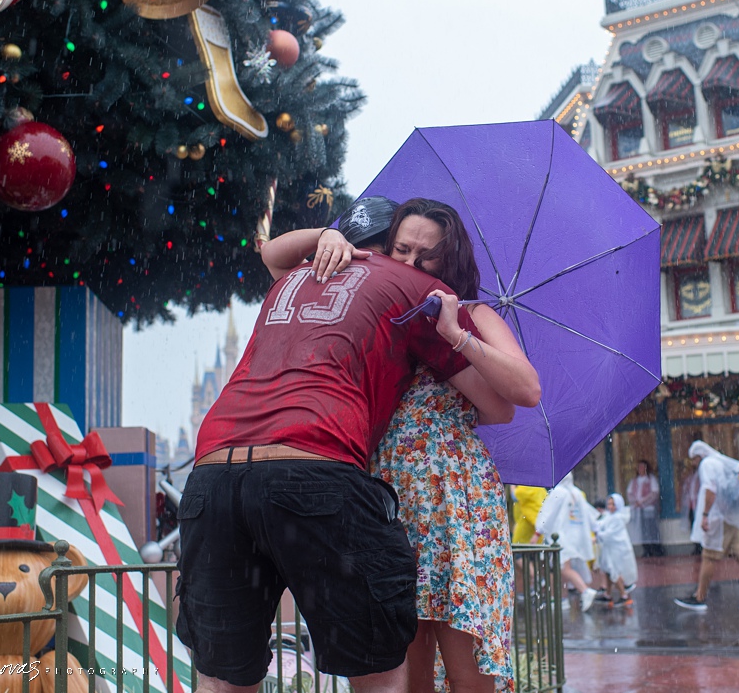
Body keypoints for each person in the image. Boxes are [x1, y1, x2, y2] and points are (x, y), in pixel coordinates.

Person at [179, 195, 537, 693]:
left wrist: (454, 335)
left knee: (462, 669)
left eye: (425, 254)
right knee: (391, 664)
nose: (409, 262)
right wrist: (328, 236)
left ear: (448, 258)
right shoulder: (395, 297)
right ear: (379, 248)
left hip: (444, 501)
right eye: (400, 248)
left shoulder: (429, 306)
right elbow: (275, 255)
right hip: (367, 485)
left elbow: (510, 401)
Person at [673, 441, 739, 613]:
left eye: (693, 460)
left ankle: (699, 597)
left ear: (698, 456)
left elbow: (711, 490)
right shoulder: (722, 462)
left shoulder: (707, 464)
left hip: (719, 517)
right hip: (733, 516)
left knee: (709, 556)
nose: (693, 464)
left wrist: (704, 515)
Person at [535, 472, 600, 612]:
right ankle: (562, 599)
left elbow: (547, 513)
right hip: (575, 537)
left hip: (561, 536)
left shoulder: (558, 492)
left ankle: (585, 591)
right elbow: (589, 514)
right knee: (561, 567)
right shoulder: (576, 493)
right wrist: (595, 529)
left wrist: (538, 532)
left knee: (564, 568)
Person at [593, 494, 638, 606]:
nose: (610, 506)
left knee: (614, 571)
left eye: (613, 504)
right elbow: (601, 525)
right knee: (608, 570)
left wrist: (598, 536)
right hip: (610, 548)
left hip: (617, 549)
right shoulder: (610, 516)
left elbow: (609, 533)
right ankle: (608, 594)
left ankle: (624, 595)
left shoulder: (618, 518)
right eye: (609, 504)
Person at [626, 460, 663, 557]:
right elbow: (629, 493)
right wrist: (635, 502)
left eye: (642, 467)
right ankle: (646, 549)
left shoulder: (651, 479)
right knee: (642, 530)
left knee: (651, 528)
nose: (641, 469)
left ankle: (655, 548)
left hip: (648, 509)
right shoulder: (634, 481)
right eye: (639, 467)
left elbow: (654, 493)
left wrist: (643, 501)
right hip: (638, 509)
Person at [680, 457, 703, 555]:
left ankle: (702, 545)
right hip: (691, 505)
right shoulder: (691, 477)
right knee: (693, 524)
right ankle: (696, 545)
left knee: (699, 524)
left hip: (699, 504)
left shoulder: (701, 475)